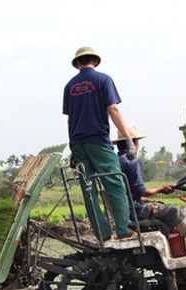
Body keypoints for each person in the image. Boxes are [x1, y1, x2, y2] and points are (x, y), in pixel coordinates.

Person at [63, 46, 136, 241]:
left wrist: (73, 147)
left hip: (77, 143)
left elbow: (70, 120)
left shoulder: (70, 86)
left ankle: (103, 234)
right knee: (115, 184)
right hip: (98, 141)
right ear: (94, 61)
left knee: (89, 190)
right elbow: (113, 108)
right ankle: (123, 230)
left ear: (78, 63)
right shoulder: (103, 79)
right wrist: (128, 138)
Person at [113, 125, 186, 255]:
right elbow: (140, 190)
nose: (139, 146)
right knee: (174, 211)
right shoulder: (131, 162)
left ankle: (172, 251)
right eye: (137, 142)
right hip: (136, 210)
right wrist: (161, 189)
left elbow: (127, 193)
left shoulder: (115, 162)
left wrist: (150, 200)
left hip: (128, 208)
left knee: (161, 208)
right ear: (131, 143)